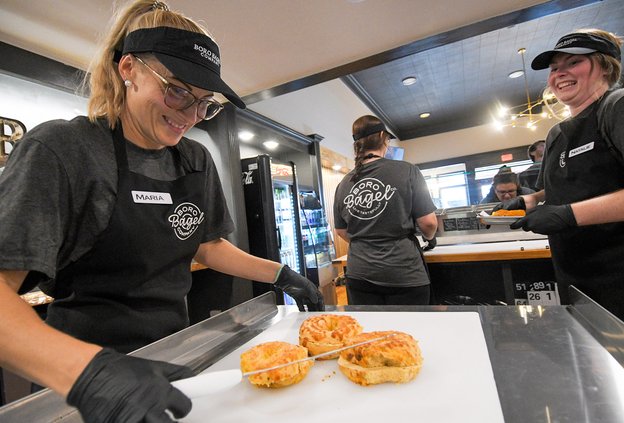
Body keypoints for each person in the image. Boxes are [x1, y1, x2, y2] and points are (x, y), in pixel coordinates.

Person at [0, 1, 323, 421]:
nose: (190, 116)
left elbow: (206, 246)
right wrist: (89, 375)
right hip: (82, 376)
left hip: (174, 355)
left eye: (205, 103)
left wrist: (278, 273)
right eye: (177, 91)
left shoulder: (194, 159)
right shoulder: (64, 151)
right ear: (128, 69)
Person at [494, 29, 624, 327]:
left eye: (573, 63)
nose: (560, 74)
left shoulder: (621, 106)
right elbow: (558, 187)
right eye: (555, 68)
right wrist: (529, 200)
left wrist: (568, 215)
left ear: (606, 66)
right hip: (575, 278)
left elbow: (570, 207)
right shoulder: (557, 133)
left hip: (623, 277)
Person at [333, 115, 438, 305]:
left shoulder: (343, 184)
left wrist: (366, 240)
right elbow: (429, 223)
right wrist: (430, 239)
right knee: (411, 332)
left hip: (359, 273)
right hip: (403, 272)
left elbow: (341, 231)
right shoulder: (407, 171)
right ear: (383, 137)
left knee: (370, 333)